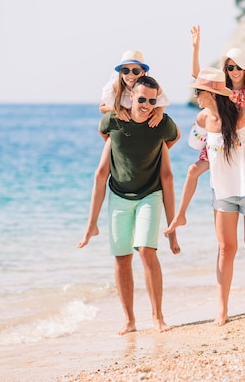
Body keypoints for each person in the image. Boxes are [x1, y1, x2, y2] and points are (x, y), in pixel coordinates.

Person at [165, 17, 245, 262]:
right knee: (193, 170)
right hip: (221, 143)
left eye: (237, 67)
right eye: (229, 68)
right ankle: (180, 215)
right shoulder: (221, 89)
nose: (234, 72)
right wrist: (195, 47)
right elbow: (198, 76)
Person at [78, 75, 181, 335]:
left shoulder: (162, 123)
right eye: (141, 99)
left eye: (151, 100)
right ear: (131, 97)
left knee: (147, 250)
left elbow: (174, 138)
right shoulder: (113, 120)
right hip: (119, 195)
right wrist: (92, 223)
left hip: (150, 194)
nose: (146, 104)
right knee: (122, 258)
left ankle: (158, 317)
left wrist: (173, 227)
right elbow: (103, 133)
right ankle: (129, 321)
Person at [186, 67, 245, 325]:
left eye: (199, 92)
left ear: (212, 94)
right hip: (223, 192)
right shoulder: (204, 118)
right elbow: (195, 143)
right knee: (226, 249)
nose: (196, 96)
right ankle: (222, 310)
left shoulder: (242, 114)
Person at [78, 50, 179, 252]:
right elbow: (101, 109)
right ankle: (91, 225)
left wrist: (157, 114)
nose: (130, 74)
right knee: (100, 174)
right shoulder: (115, 86)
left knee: (167, 177)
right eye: (125, 69)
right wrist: (118, 110)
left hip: (145, 136)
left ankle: (172, 232)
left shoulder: (150, 87)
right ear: (120, 71)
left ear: (143, 72)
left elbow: (161, 104)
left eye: (135, 70)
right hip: (120, 132)